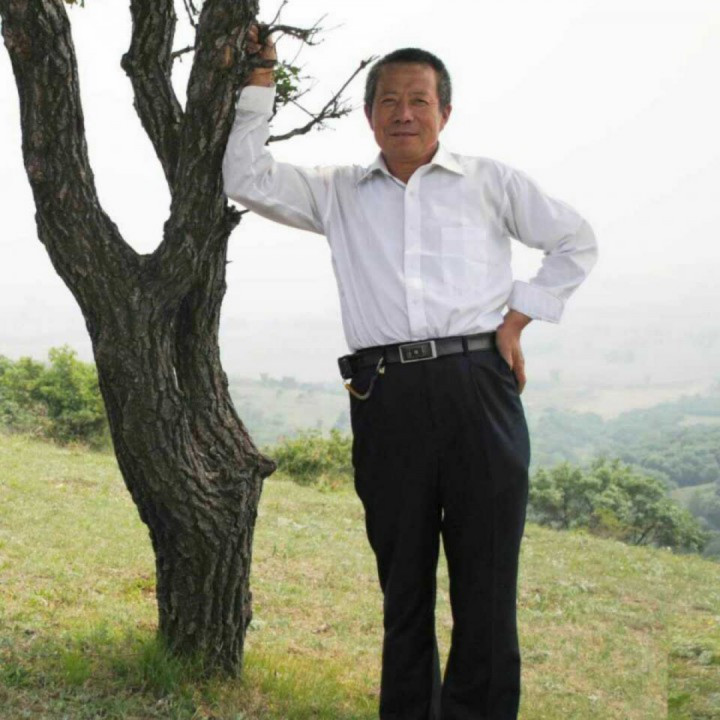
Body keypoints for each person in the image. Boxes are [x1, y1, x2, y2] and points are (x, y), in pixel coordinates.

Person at [222, 25, 598, 720]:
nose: (404, 113)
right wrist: (259, 80)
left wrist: (517, 321)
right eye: (389, 101)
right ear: (369, 115)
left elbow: (575, 241)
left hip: (479, 387)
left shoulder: (490, 181)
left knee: (487, 581)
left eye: (419, 100)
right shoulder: (337, 192)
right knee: (403, 585)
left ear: (444, 113)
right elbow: (245, 177)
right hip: (386, 394)